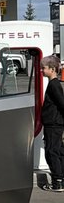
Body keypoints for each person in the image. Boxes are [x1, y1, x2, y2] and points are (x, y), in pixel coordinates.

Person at [40, 57, 64, 191]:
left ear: (52, 69)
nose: (42, 70)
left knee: (51, 152)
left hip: (53, 124)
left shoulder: (54, 85)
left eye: (44, 68)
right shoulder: (54, 84)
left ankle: (57, 182)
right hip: (55, 123)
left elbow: (62, 103)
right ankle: (60, 179)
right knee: (59, 151)